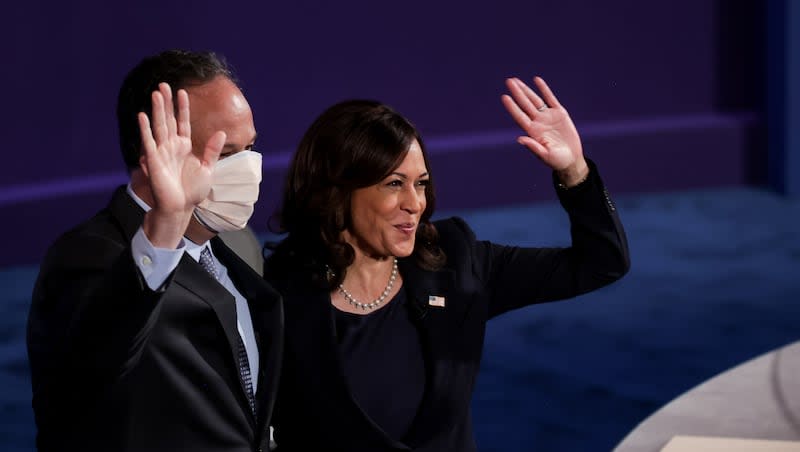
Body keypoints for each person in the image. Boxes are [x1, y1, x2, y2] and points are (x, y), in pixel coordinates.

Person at [263, 76, 630, 451]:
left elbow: (601, 263)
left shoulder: (454, 263)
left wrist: (574, 172)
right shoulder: (277, 295)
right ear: (337, 192)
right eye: (394, 184)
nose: (415, 203)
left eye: (420, 183)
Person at [26, 50, 283, 452]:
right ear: (153, 156)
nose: (250, 168)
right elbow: (89, 375)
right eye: (226, 154)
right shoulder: (87, 256)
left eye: (251, 147)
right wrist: (166, 224)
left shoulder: (238, 245)